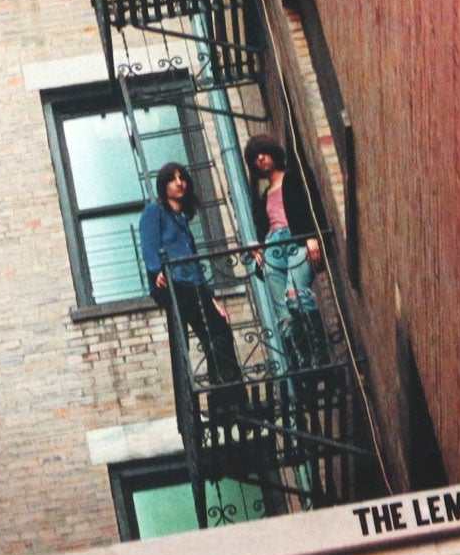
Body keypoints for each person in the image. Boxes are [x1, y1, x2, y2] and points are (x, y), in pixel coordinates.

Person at [139, 161, 243, 415]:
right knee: (184, 340)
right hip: (173, 283)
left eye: (182, 178)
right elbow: (149, 244)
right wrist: (157, 271)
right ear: (164, 186)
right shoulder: (154, 211)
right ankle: (205, 403)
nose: (179, 183)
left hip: (193, 284)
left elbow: (195, 263)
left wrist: (212, 298)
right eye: (173, 179)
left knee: (219, 331)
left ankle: (226, 398)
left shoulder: (183, 220)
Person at [243, 133, 329, 369]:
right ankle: (302, 364)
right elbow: (264, 230)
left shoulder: (295, 177)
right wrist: (256, 246)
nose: (260, 158)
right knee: (285, 315)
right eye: (255, 157)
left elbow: (313, 206)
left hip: (297, 240)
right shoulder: (263, 196)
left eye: (263, 152)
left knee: (296, 296)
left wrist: (313, 236)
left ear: (273, 152)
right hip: (273, 248)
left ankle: (320, 355)